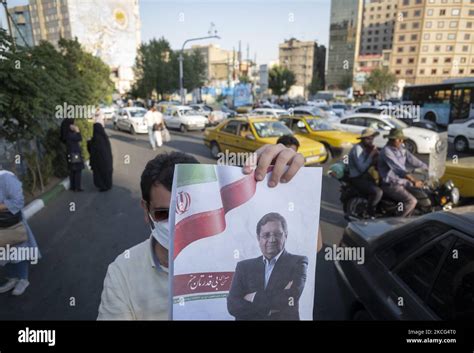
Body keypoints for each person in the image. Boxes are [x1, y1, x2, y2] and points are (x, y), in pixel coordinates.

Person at [97, 144, 306, 320]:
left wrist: (289, 181)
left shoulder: (234, 254)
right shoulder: (122, 273)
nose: (178, 223)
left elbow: (307, 243)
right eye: (164, 213)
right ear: (146, 210)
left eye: (190, 211)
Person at [227, 212, 308, 320]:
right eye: (266, 235)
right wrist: (270, 309)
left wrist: (253, 297)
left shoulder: (298, 262)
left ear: (286, 235)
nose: (272, 239)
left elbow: (290, 299)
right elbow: (233, 306)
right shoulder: (244, 267)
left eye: (277, 234)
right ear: (258, 238)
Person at [0, 170, 40, 296]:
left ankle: (23, 279)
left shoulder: (6, 177)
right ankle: (12, 278)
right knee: (3, 253)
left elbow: (18, 202)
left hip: (11, 224)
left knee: (17, 251)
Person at [378, 128, 428, 217]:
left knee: (423, 191)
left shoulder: (401, 148)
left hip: (402, 182)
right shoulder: (386, 151)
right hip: (391, 184)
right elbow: (398, 169)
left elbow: (412, 159)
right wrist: (413, 180)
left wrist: (426, 168)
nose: (401, 141)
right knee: (411, 201)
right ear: (391, 139)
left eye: (402, 139)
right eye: (398, 139)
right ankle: (399, 223)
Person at [348, 128, 383, 218]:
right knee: (377, 192)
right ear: (363, 139)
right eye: (368, 139)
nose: (371, 141)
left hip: (366, 176)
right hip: (357, 177)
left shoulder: (367, 148)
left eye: (372, 138)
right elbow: (362, 168)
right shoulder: (357, 149)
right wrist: (371, 155)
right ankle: (370, 213)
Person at [88, 123, 113, 192]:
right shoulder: (104, 137)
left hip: (99, 161)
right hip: (107, 159)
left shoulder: (96, 138)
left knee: (100, 173)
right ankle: (108, 185)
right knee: (106, 173)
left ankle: (103, 186)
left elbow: (93, 150)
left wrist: (89, 142)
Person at [66, 122, 84, 192]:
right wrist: (78, 131)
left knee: (72, 170)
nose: (75, 126)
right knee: (77, 170)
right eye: (73, 125)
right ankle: (77, 187)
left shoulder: (68, 134)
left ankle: (73, 186)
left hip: (71, 154)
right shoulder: (71, 135)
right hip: (75, 154)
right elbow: (80, 138)